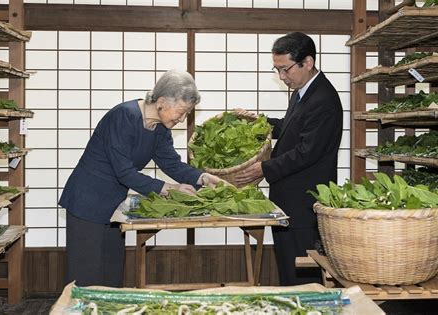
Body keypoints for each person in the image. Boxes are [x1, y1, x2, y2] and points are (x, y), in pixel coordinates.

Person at [59, 69, 224, 287]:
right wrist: (168, 188)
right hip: (87, 201)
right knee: (86, 277)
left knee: (111, 275)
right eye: (181, 111)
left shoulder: (160, 129)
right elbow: (124, 172)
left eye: (187, 113)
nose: (182, 118)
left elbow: (172, 164)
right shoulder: (124, 116)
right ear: (162, 101)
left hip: (113, 205)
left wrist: (203, 177)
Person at [234, 32, 343, 285]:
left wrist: (263, 168)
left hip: (305, 202)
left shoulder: (323, 98)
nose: (282, 77)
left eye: (286, 70)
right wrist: (258, 122)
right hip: (288, 199)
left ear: (308, 62)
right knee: (287, 267)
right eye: (277, 70)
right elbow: (290, 128)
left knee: (303, 275)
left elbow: (307, 151)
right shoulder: (302, 91)